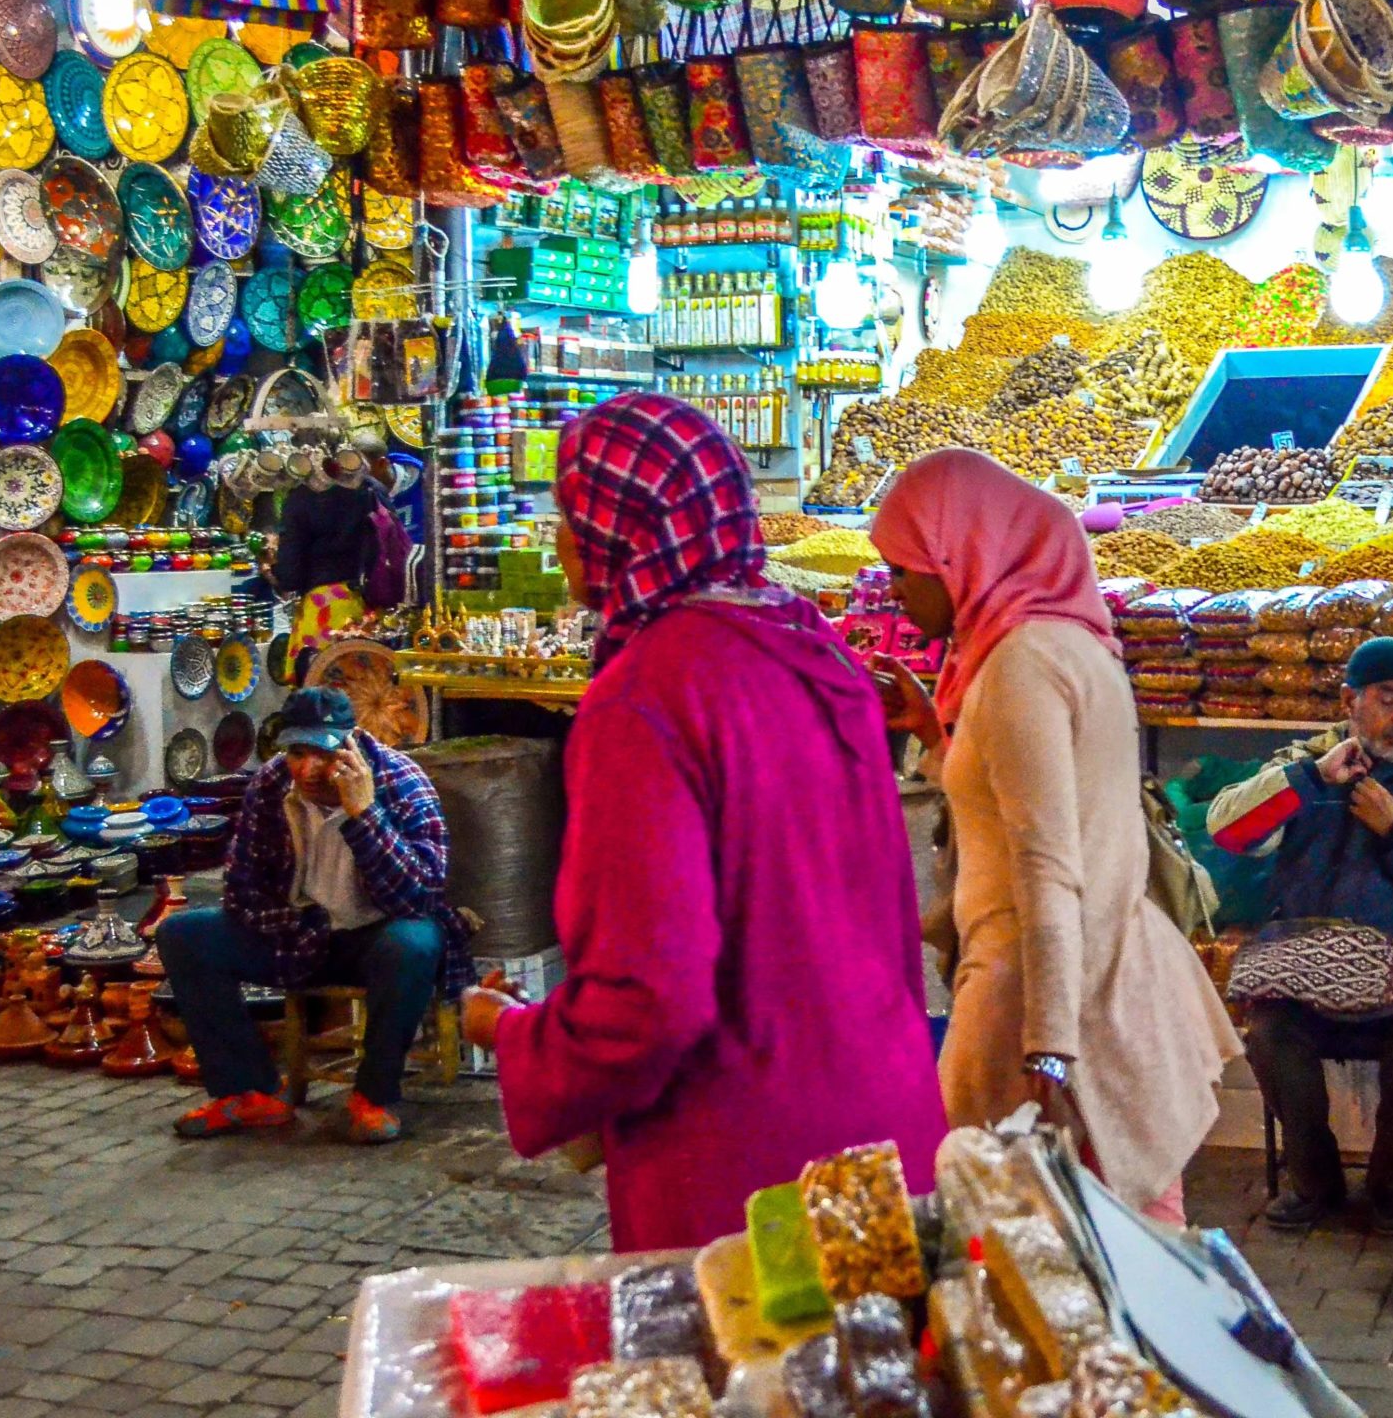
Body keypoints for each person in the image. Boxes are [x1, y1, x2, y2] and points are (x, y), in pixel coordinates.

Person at [469, 394, 945, 1251]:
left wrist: (515, 1037)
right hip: (885, 1129)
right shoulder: (815, 649)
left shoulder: (648, 694)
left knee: (750, 1385)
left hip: (750, 1177)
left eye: (573, 517)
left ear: (620, 528)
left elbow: (647, 998)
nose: (562, 543)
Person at [871, 448, 1240, 1225]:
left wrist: (1049, 1044)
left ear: (956, 553)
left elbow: (1046, 868)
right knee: (1129, 1241)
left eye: (905, 570)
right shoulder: (1067, 641)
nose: (895, 593)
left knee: (1053, 1252)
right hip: (1104, 969)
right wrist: (939, 738)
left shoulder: (1020, 665)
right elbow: (1028, 807)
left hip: (1049, 995)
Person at [1205, 636, 1393, 1233]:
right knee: (1272, 1032)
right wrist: (1310, 779)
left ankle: (1391, 1181)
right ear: (1349, 700)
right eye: (1388, 698)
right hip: (1302, 973)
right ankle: (1316, 1181)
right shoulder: (1303, 763)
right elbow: (1227, 832)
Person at [159, 686, 471, 1145]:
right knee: (182, 934)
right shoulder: (271, 785)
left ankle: (374, 1095)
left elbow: (418, 897)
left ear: (350, 745)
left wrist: (364, 815)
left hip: (375, 935)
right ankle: (251, 1090)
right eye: (297, 753)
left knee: (415, 942)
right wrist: (296, 924)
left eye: (323, 754)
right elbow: (242, 891)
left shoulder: (401, 782)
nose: (308, 770)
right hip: (300, 932)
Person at [267, 434, 402, 673]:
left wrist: (270, 568)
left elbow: (291, 576)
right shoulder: (371, 490)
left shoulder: (300, 498)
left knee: (325, 695)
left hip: (323, 611)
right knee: (369, 695)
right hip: (371, 610)